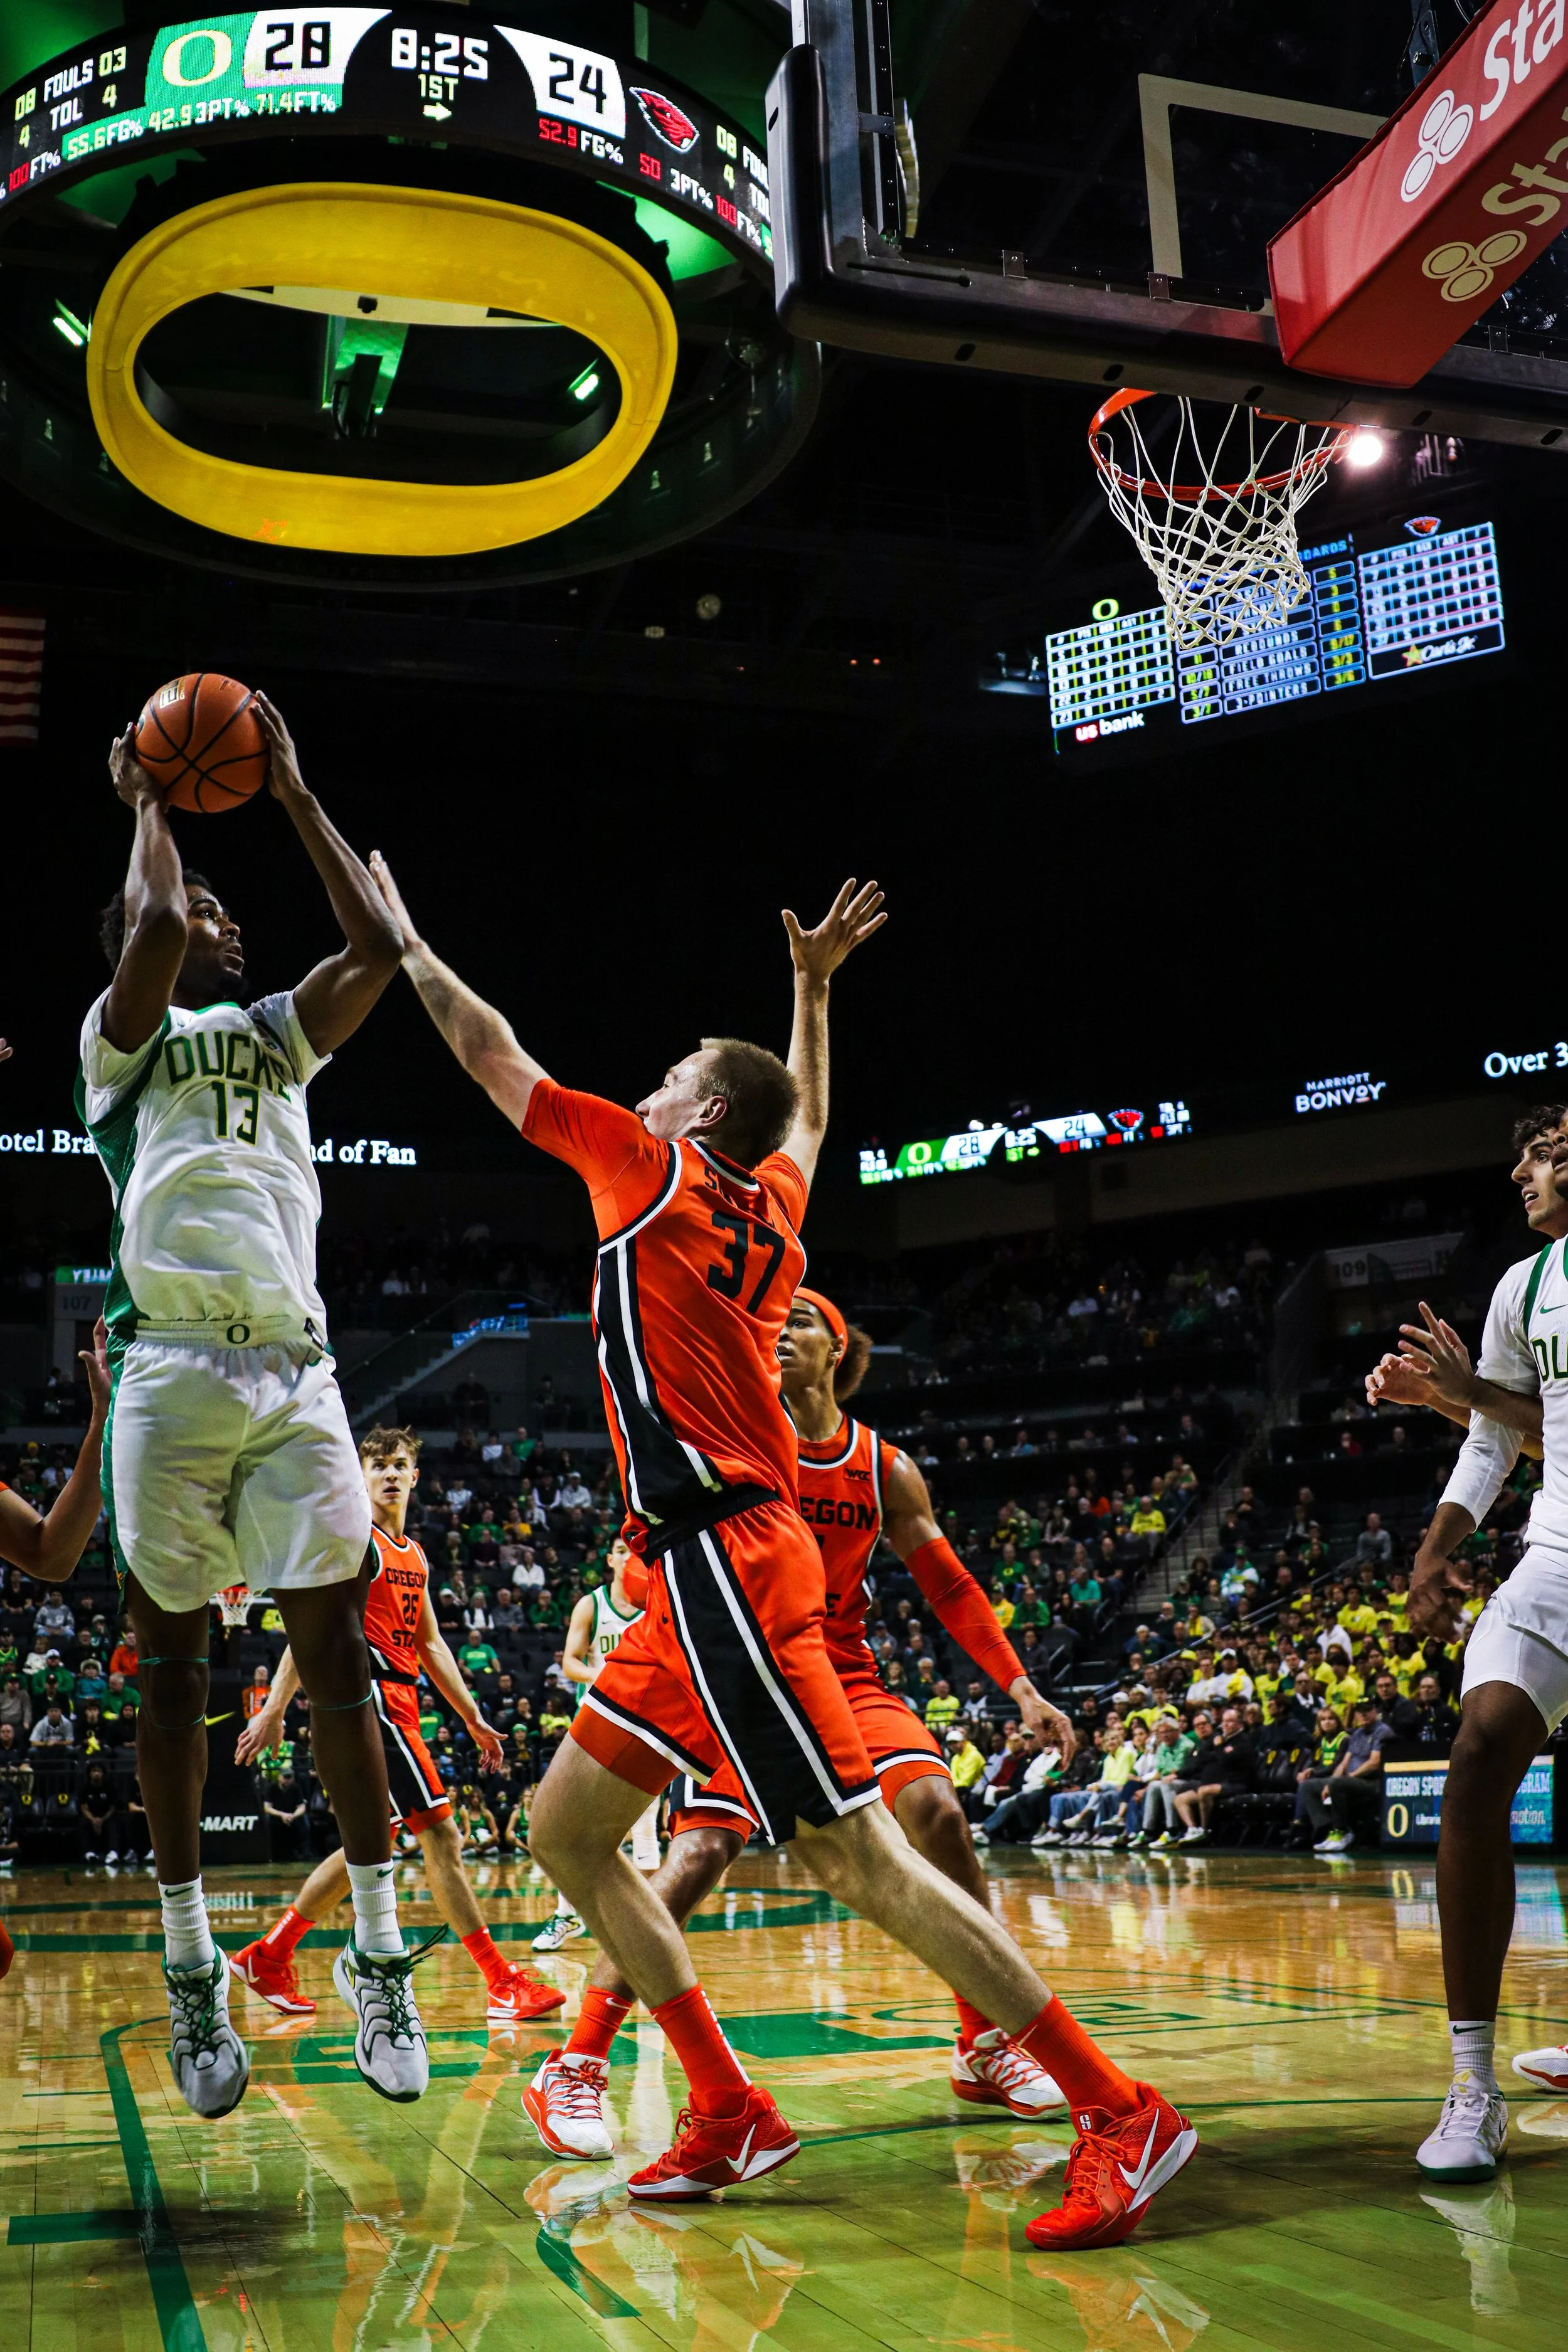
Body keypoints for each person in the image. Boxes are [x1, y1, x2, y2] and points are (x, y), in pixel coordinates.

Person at [369, 852, 1194, 2250]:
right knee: (565, 1830)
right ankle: (724, 2106)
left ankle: (1118, 2110)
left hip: (727, 1559)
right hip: (693, 1568)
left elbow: (487, 1050)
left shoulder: (651, 1170)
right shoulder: (770, 1205)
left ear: (698, 1112)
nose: (650, 1079)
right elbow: (802, 1119)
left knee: (855, 1861)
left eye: (675, 1067)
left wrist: (401, 942)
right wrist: (809, 992)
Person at [82, 706, 421, 2118]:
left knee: (337, 1654)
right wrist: (149, 798)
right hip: (165, 1368)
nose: (216, 919)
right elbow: (151, 921)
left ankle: (381, 1955)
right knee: (172, 1679)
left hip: (294, 1371)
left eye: (228, 909)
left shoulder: (280, 1039)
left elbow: (380, 954)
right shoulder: (120, 1041)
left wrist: (287, 784)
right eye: (198, 907)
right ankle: (188, 1966)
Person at [531, 1285, 1071, 2155]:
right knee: (693, 1859)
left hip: (842, 1676)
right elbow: (640, 1573)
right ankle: (580, 2059)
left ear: (840, 1351)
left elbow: (949, 1584)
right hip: (738, 1674)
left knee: (937, 1812)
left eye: (801, 1321)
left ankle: (983, 2040)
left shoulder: (882, 1465)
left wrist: (1019, 1687)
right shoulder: (738, 1443)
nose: (779, 1331)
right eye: (769, 1322)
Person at [1365, 1106, 1568, 2177]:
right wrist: (1435, 1550)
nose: (1525, 1173)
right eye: (1526, 1157)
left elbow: (1496, 1407)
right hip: (1560, 1552)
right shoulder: (1522, 1289)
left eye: (1546, 1154)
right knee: (1481, 1747)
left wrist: (1462, 1392)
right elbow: (1501, 1437)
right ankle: (1472, 2084)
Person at [231, 1427, 561, 2026]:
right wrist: (274, 1708)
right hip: (373, 1699)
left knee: (371, 1843)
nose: (388, 1473)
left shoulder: (413, 1553)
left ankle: (269, 1955)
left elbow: (431, 1643)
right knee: (443, 1837)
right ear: (361, 1475)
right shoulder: (358, 1543)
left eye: (399, 1464)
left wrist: (473, 1718)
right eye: (377, 1463)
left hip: (402, 1700)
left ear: (414, 1477)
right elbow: (311, 1630)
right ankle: (499, 1980)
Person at [533, 1535, 659, 1953]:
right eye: (620, 1551)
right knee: (575, 1828)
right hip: (599, 1721)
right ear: (609, 1560)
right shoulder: (592, 1604)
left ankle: (651, 1925)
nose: (628, 1557)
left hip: (647, 1725)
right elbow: (570, 1660)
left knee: (644, 1832)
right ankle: (567, 1916)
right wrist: (601, 1678)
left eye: (633, 1550)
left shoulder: (656, 1604)